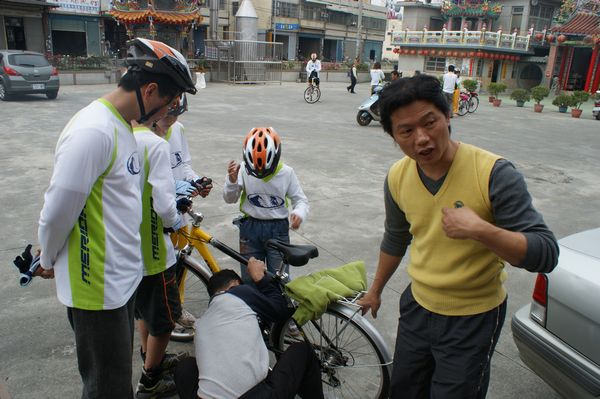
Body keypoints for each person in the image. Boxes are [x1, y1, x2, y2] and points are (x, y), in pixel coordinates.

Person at [358, 74, 559, 399]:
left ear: (448, 116)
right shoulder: (397, 176)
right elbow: (395, 239)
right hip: (418, 307)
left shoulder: (494, 174)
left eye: (430, 122)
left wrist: (482, 229)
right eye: (406, 131)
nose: (421, 139)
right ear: (395, 137)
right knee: (405, 391)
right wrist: (375, 290)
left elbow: (546, 253)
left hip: (473, 316)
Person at [36, 37, 197, 398]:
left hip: (121, 282)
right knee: (107, 389)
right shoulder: (93, 130)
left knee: (117, 382)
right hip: (96, 289)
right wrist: (46, 257)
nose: (166, 116)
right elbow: (57, 208)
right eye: (168, 104)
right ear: (150, 89)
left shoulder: (123, 126)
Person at [173, 259, 325, 399]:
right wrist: (260, 278)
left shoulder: (201, 323)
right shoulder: (238, 292)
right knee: (302, 349)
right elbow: (281, 310)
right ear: (234, 285)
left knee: (184, 366)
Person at [133, 111, 196, 397]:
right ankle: (151, 380)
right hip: (157, 251)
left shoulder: (125, 139)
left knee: (144, 311)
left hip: (133, 251)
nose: (174, 113)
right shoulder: (155, 145)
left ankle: (150, 359)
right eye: (170, 106)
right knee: (166, 319)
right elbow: (164, 203)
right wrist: (175, 219)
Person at [156, 93, 213, 330]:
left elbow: (184, 165)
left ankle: (177, 306)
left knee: (181, 262)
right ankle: (165, 312)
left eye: (177, 114)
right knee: (165, 270)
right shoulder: (149, 138)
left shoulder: (178, 130)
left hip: (180, 209)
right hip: (162, 214)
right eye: (168, 115)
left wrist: (197, 181)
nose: (172, 120)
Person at [223, 127, 309, 280]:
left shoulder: (287, 173)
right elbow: (230, 199)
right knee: (250, 278)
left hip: (278, 230)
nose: (259, 172)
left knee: (280, 278)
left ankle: (281, 304)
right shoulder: (243, 169)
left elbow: (300, 200)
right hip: (250, 230)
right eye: (255, 168)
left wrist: (298, 213)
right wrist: (232, 181)